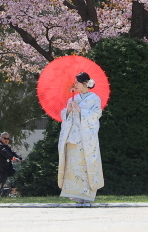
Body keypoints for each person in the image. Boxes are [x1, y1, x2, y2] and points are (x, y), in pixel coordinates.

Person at [57, 72, 104, 207]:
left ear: (84, 83)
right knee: (73, 168)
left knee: (85, 167)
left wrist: (81, 111)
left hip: (85, 140)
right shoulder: (73, 99)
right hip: (72, 138)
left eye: (77, 82)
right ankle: (76, 196)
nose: (75, 85)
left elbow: (96, 116)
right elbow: (65, 117)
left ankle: (87, 197)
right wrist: (68, 110)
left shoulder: (94, 99)